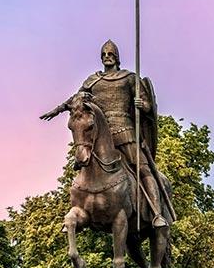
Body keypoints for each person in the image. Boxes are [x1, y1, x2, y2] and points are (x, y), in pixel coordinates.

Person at [45, 40, 172, 228]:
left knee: (144, 169)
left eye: (110, 54)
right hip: (97, 135)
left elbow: (148, 105)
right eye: (104, 54)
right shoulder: (93, 80)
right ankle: (79, 208)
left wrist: (141, 105)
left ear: (117, 57)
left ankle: (156, 214)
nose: (107, 57)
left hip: (125, 131)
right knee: (83, 164)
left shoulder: (129, 78)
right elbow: (76, 100)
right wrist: (57, 110)